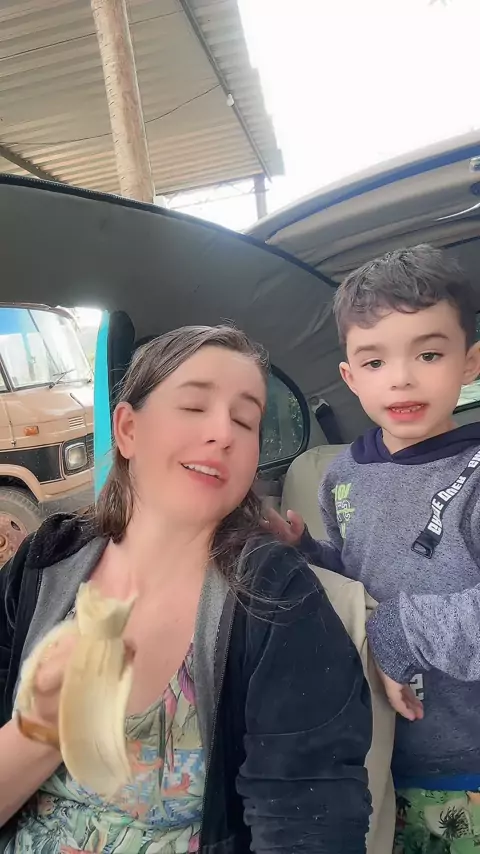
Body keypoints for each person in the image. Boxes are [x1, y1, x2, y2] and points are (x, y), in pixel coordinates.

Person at [0, 325, 372, 854]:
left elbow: (309, 826)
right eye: (195, 407)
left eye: (245, 420)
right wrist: (41, 729)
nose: (223, 432)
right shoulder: (44, 562)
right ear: (127, 430)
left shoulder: (278, 597)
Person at [265, 246, 480, 853]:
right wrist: (308, 553)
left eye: (429, 354)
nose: (401, 378)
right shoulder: (344, 475)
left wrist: (401, 632)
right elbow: (355, 577)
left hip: (465, 760)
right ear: (350, 377)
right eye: (375, 360)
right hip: (375, 750)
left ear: (470, 362)